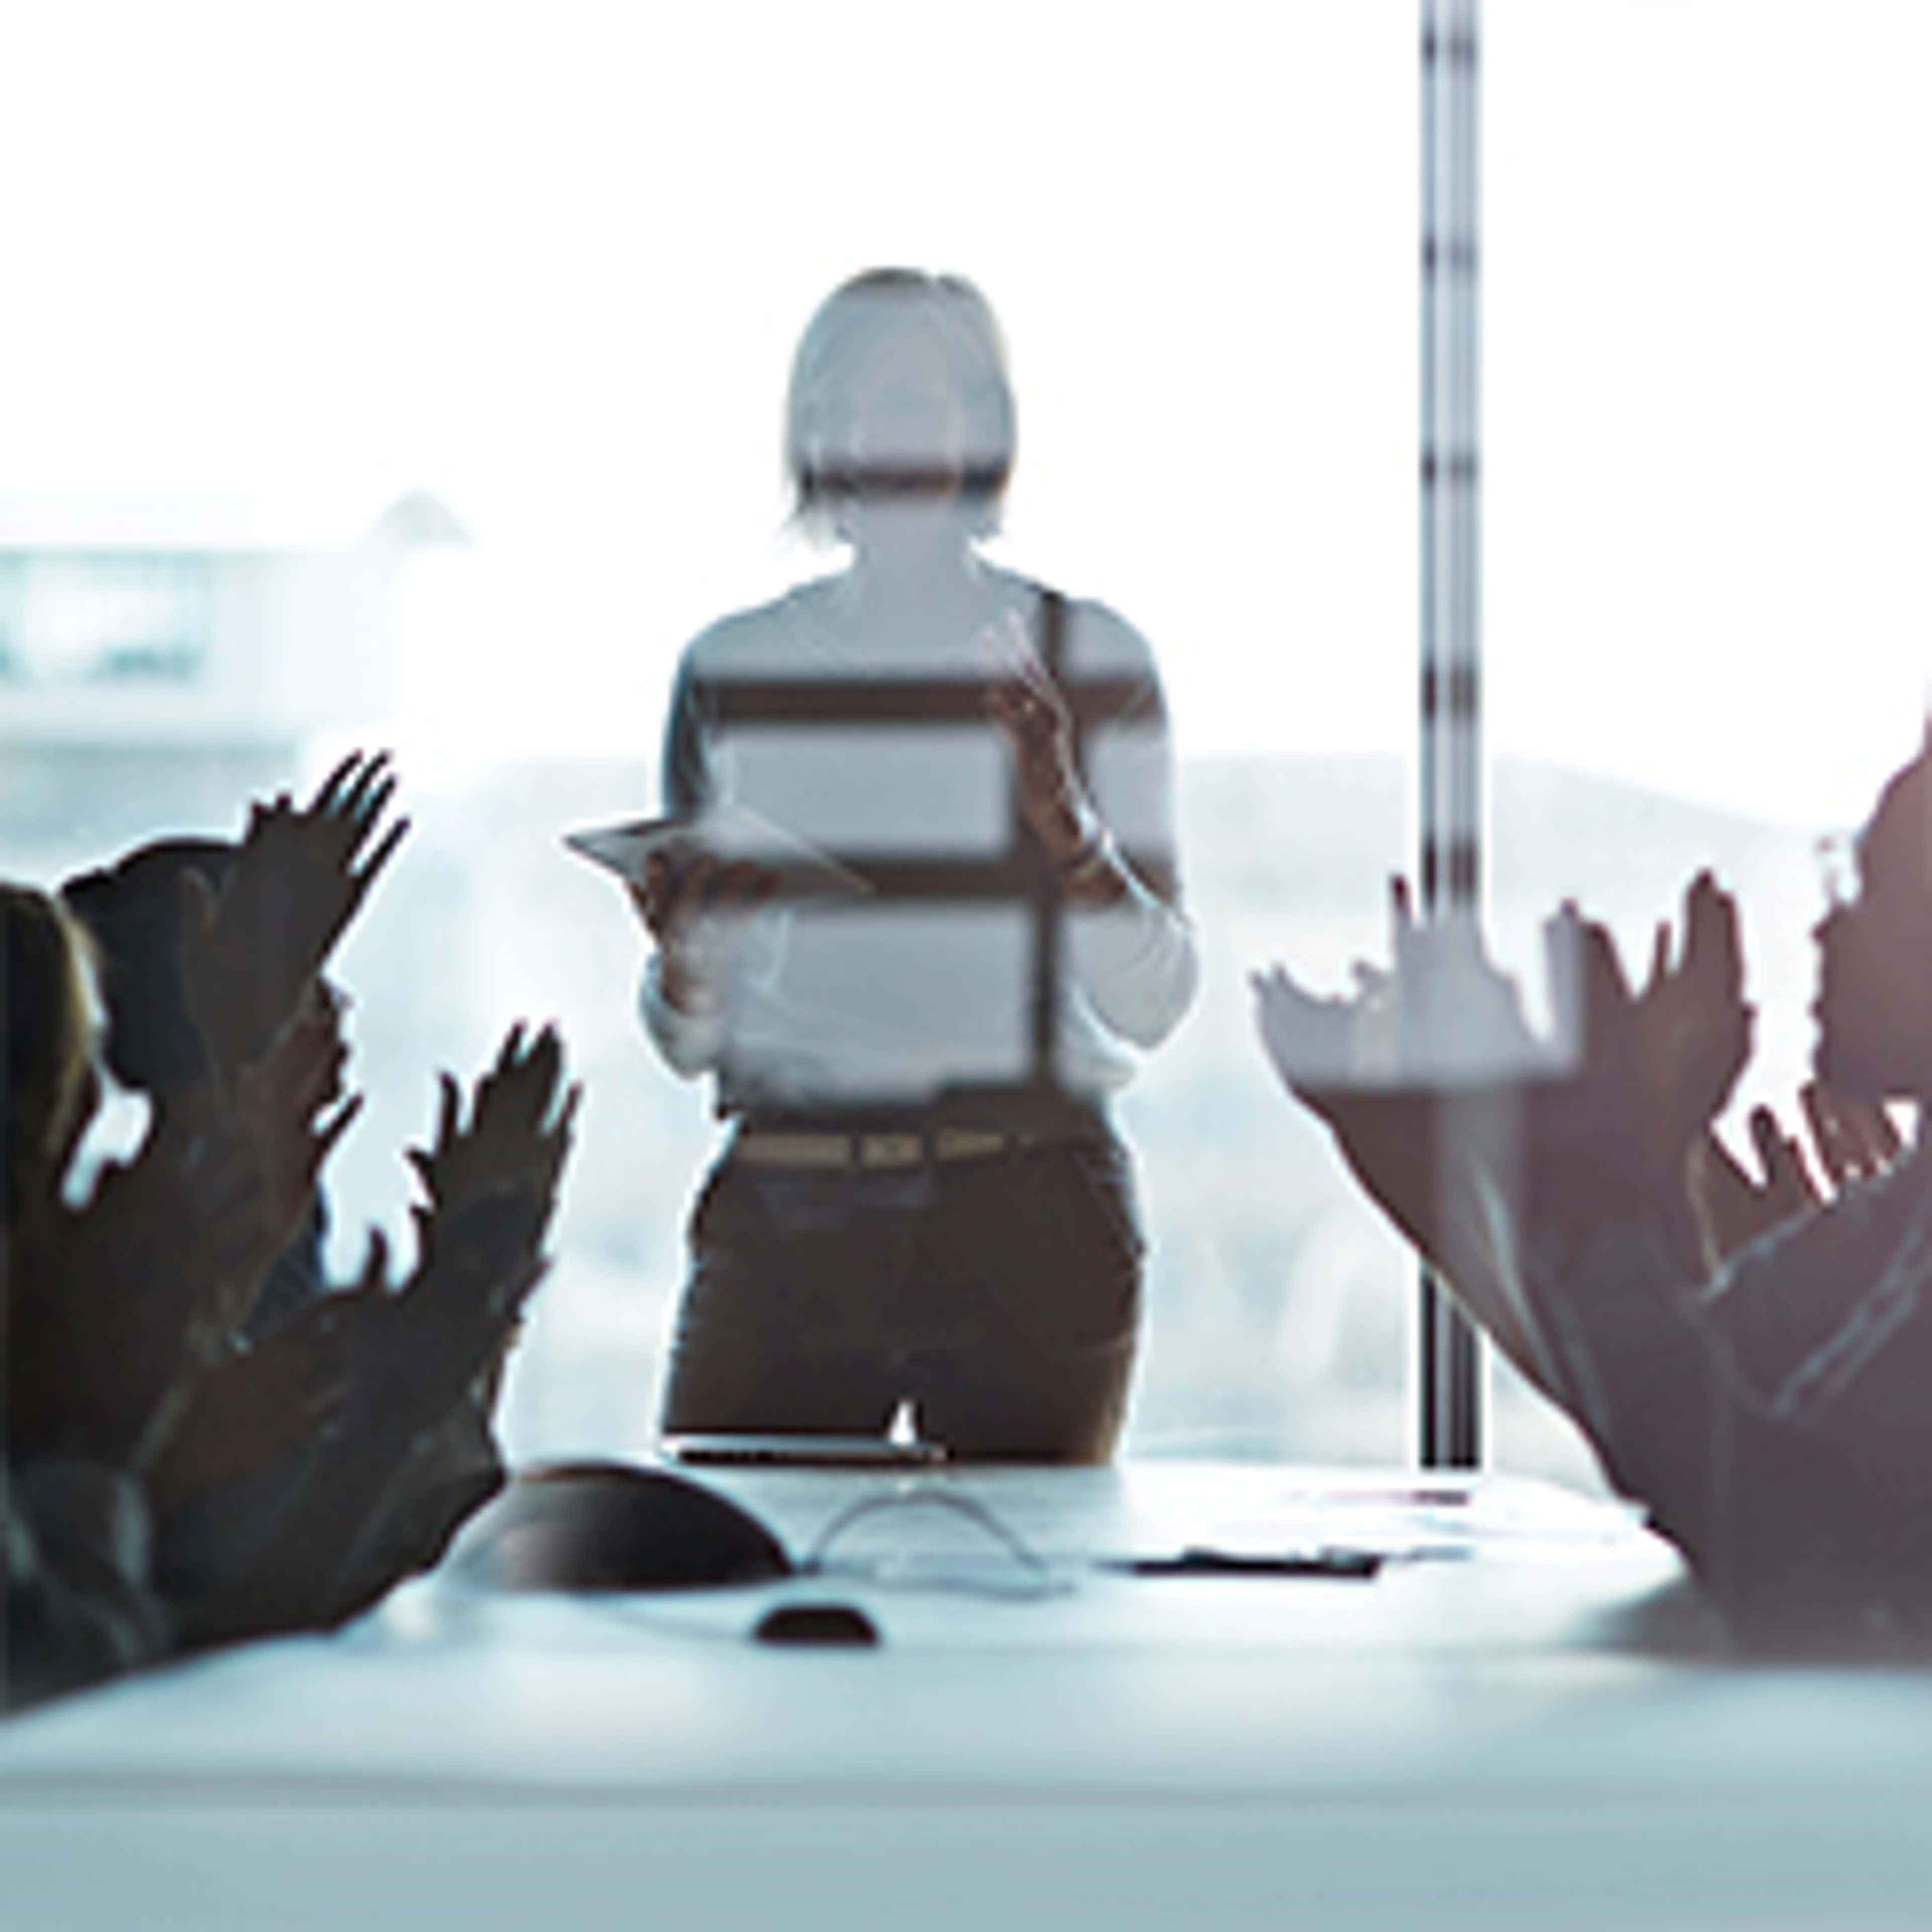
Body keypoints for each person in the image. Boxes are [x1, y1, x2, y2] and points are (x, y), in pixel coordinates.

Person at [631, 269, 1197, 1462]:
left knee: (1018, 1620)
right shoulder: (732, 670)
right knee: (729, 1592)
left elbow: (1153, 1003)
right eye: (844, 406)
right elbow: (690, 1042)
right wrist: (687, 965)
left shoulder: (1089, 660)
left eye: (913, 403)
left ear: (982, 429)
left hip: (1030, 1216)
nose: (873, 437)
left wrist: (1066, 831)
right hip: (789, 1211)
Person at [1255, 732, 1932, 1650]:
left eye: (1871, 884)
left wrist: (1597, 1180)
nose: (1825, 923)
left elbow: (1766, 1528)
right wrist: (1609, 1171)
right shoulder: (1903, 1207)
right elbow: (1697, 1379)